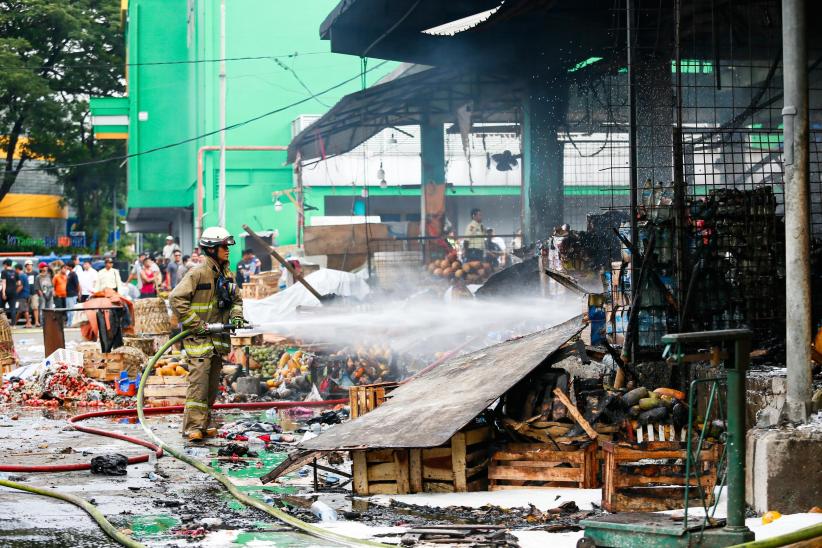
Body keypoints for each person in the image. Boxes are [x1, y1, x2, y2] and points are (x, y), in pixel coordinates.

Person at [170, 226, 245, 442]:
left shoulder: (227, 275)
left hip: (218, 340)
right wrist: (195, 323)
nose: (227, 250)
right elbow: (176, 299)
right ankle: (192, 426)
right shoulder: (197, 273)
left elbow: (237, 299)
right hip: (200, 340)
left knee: (211, 387)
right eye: (223, 246)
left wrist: (236, 315)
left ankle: (204, 422)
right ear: (211, 249)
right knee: (199, 385)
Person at [34, 262, 54, 326]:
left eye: (46, 266)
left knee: (50, 308)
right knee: (42, 308)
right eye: (43, 267)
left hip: (50, 293)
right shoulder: (38, 277)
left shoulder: (49, 275)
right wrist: (41, 294)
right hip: (42, 294)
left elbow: (52, 284)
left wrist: (52, 292)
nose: (45, 268)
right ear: (40, 268)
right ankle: (43, 322)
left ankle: (50, 322)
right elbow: (37, 287)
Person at [0, 259, 18, 324]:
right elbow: (19, 283)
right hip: (13, 292)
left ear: (5, 264)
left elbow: (3, 283)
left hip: (6, 291)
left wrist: (3, 293)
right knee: (13, 309)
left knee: (1, 308)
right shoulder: (15, 272)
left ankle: (3, 323)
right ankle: (13, 325)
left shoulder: (4, 272)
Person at [23, 260, 37, 325]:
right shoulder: (23, 274)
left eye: (30, 265)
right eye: (28, 265)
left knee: (35, 307)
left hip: (34, 292)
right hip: (25, 293)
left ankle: (37, 321)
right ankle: (28, 322)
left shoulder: (35, 273)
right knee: (26, 309)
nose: (29, 266)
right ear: (25, 266)